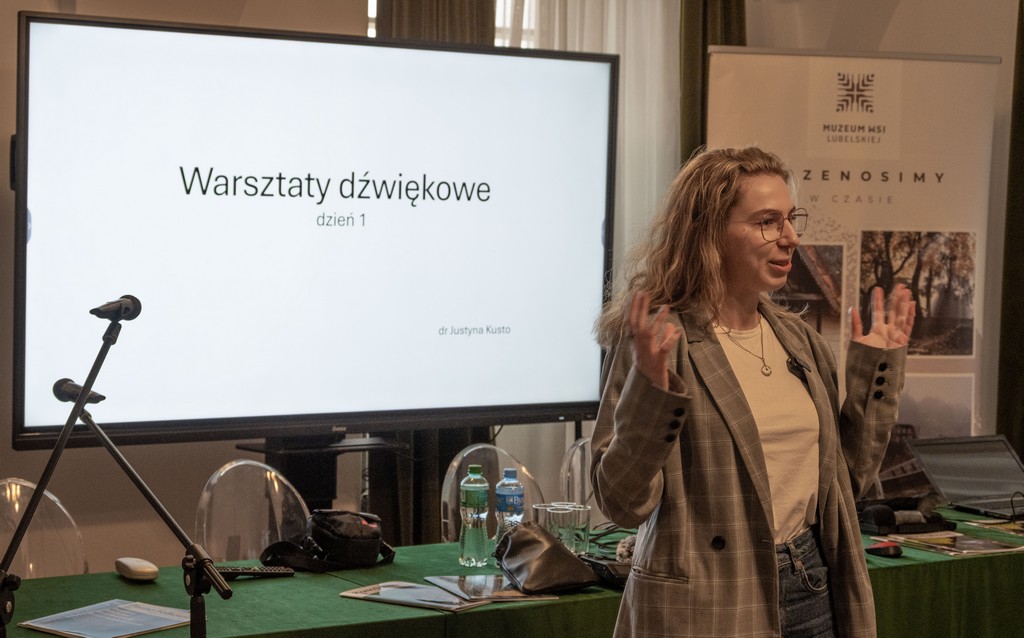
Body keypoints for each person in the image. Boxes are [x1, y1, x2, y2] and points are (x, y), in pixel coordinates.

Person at [591, 146, 914, 638]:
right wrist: (651, 397)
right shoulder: (662, 340)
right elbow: (622, 503)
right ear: (710, 233)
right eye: (767, 222)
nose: (791, 237)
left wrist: (875, 376)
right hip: (708, 601)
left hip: (812, 584)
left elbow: (845, 484)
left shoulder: (800, 340)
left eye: (790, 219)